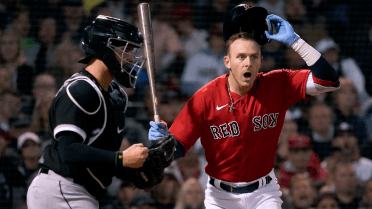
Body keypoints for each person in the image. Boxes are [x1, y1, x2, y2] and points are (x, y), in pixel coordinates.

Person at [149, 4, 340, 209]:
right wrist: (163, 142)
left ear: (261, 61)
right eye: (241, 57)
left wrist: (296, 42)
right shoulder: (205, 97)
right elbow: (176, 149)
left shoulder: (279, 83)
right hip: (221, 195)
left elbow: (328, 81)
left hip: (263, 193)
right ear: (227, 61)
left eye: (253, 57)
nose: (248, 63)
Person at [27, 15, 152, 209]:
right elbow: (68, 149)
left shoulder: (115, 96)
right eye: (125, 49)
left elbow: (100, 156)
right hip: (62, 189)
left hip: (78, 192)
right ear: (104, 48)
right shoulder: (81, 89)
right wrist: (121, 159)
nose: (130, 57)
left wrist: (139, 165)